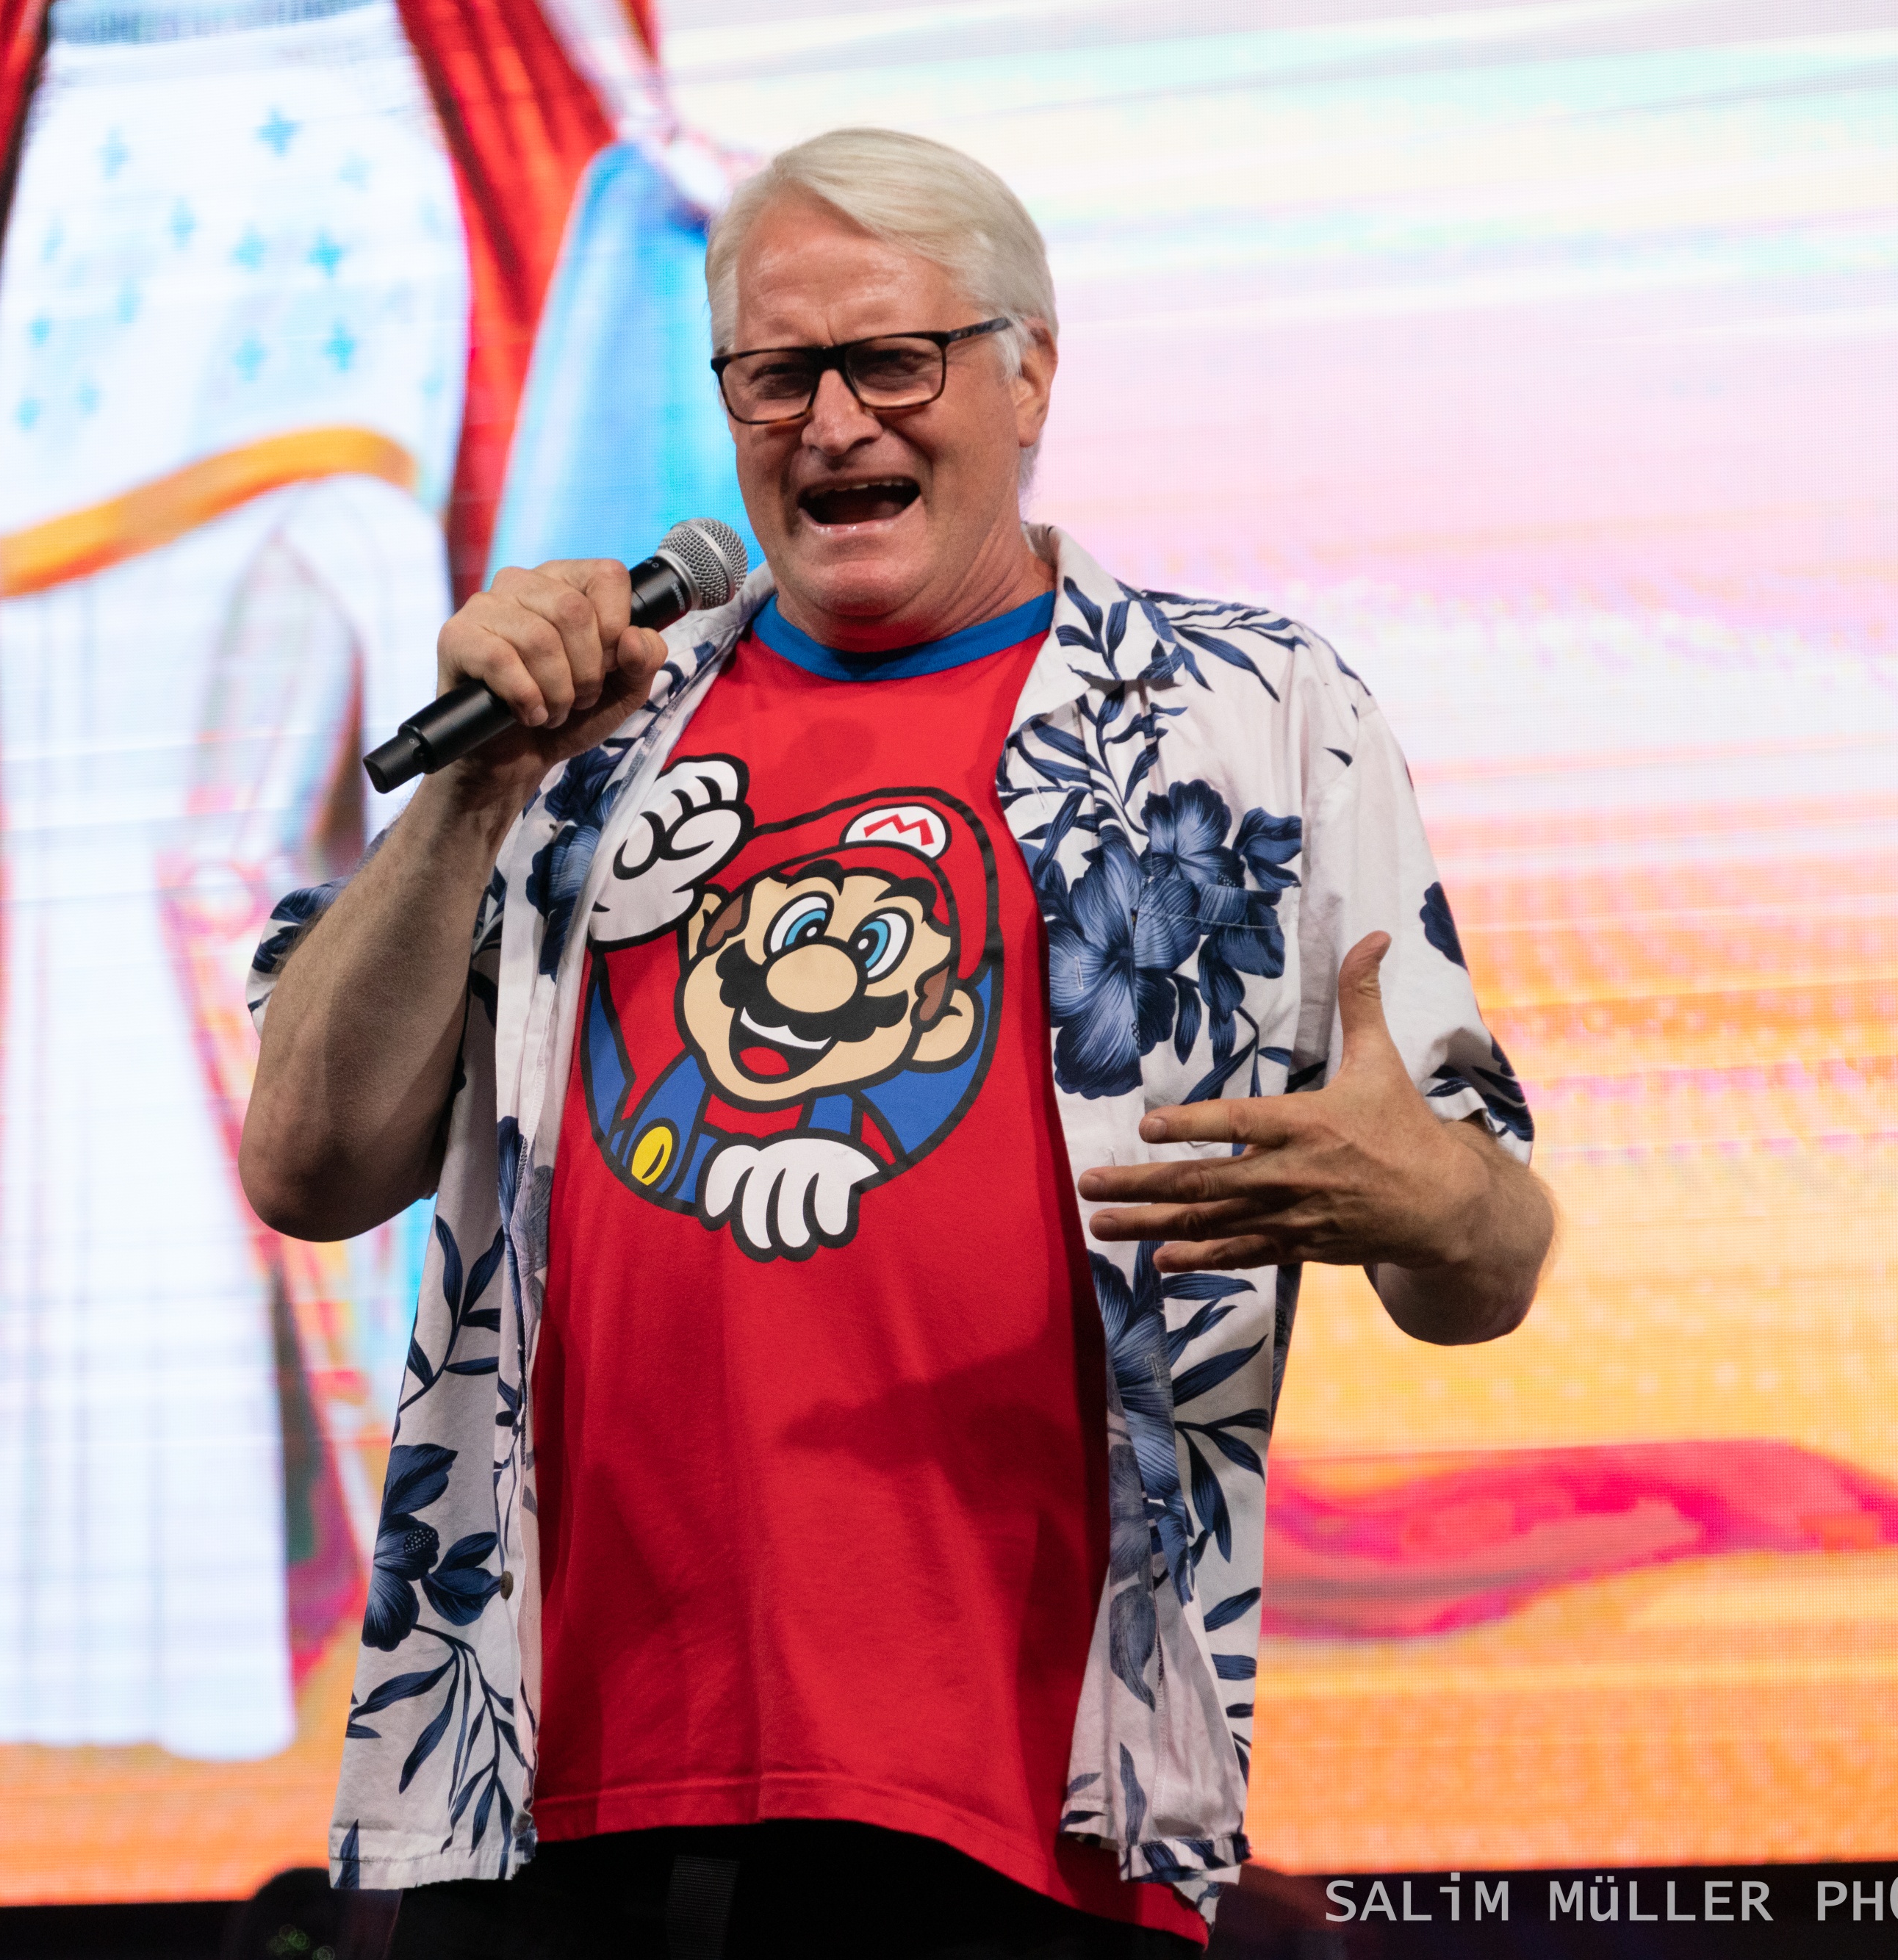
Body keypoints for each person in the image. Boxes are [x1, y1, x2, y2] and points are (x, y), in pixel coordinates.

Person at [240, 128, 1553, 1951]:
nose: (833, 422)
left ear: (1029, 377)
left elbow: (1485, 1259)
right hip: (537, 1804)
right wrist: (475, 787)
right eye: (776, 375)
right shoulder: (586, 736)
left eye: (893, 360)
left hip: (1023, 1816)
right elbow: (306, 1164)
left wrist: (1432, 1199)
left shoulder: (1249, 718)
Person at [0, 0, 748, 1759]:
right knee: (304, 877)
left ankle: (216, 1610)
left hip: (227, 193)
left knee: (288, 878)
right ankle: (309, 1597)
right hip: (251, 195)